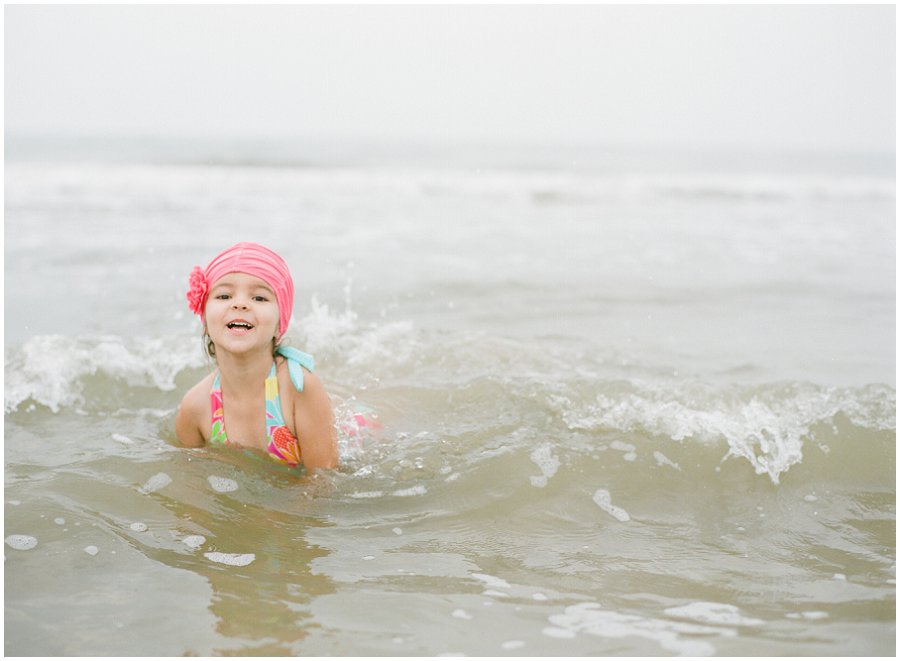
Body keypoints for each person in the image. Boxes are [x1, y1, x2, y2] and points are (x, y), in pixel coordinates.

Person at [175, 242, 338, 470]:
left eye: (259, 298)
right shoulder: (195, 407)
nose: (240, 304)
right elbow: (192, 485)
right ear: (204, 316)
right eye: (223, 296)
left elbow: (322, 483)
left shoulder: (298, 389)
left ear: (279, 324)